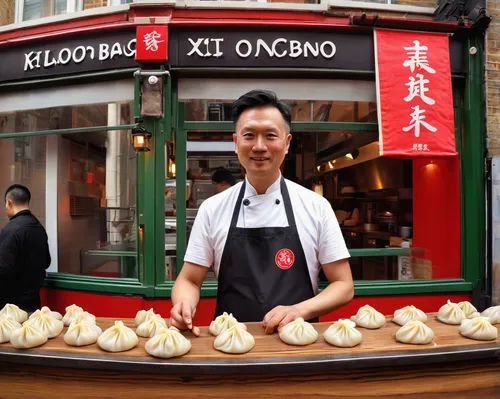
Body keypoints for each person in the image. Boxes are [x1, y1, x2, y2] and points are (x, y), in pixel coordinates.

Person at [170, 89, 354, 336]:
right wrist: (184, 304)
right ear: (236, 143)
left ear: (287, 144)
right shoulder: (212, 209)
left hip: (298, 348)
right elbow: (189, 280)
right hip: (228, 348)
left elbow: (343, 285)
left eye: (270, 135)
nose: (259, 146)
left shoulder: (316, 207)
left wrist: (299, 310)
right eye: (249, 135)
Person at [0, 184, 51, 313]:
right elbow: (46, 262)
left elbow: (3, 269)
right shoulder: (39, 228)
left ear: (9, 203)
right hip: (33, 305)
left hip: (11, 310)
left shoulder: (11, 230)